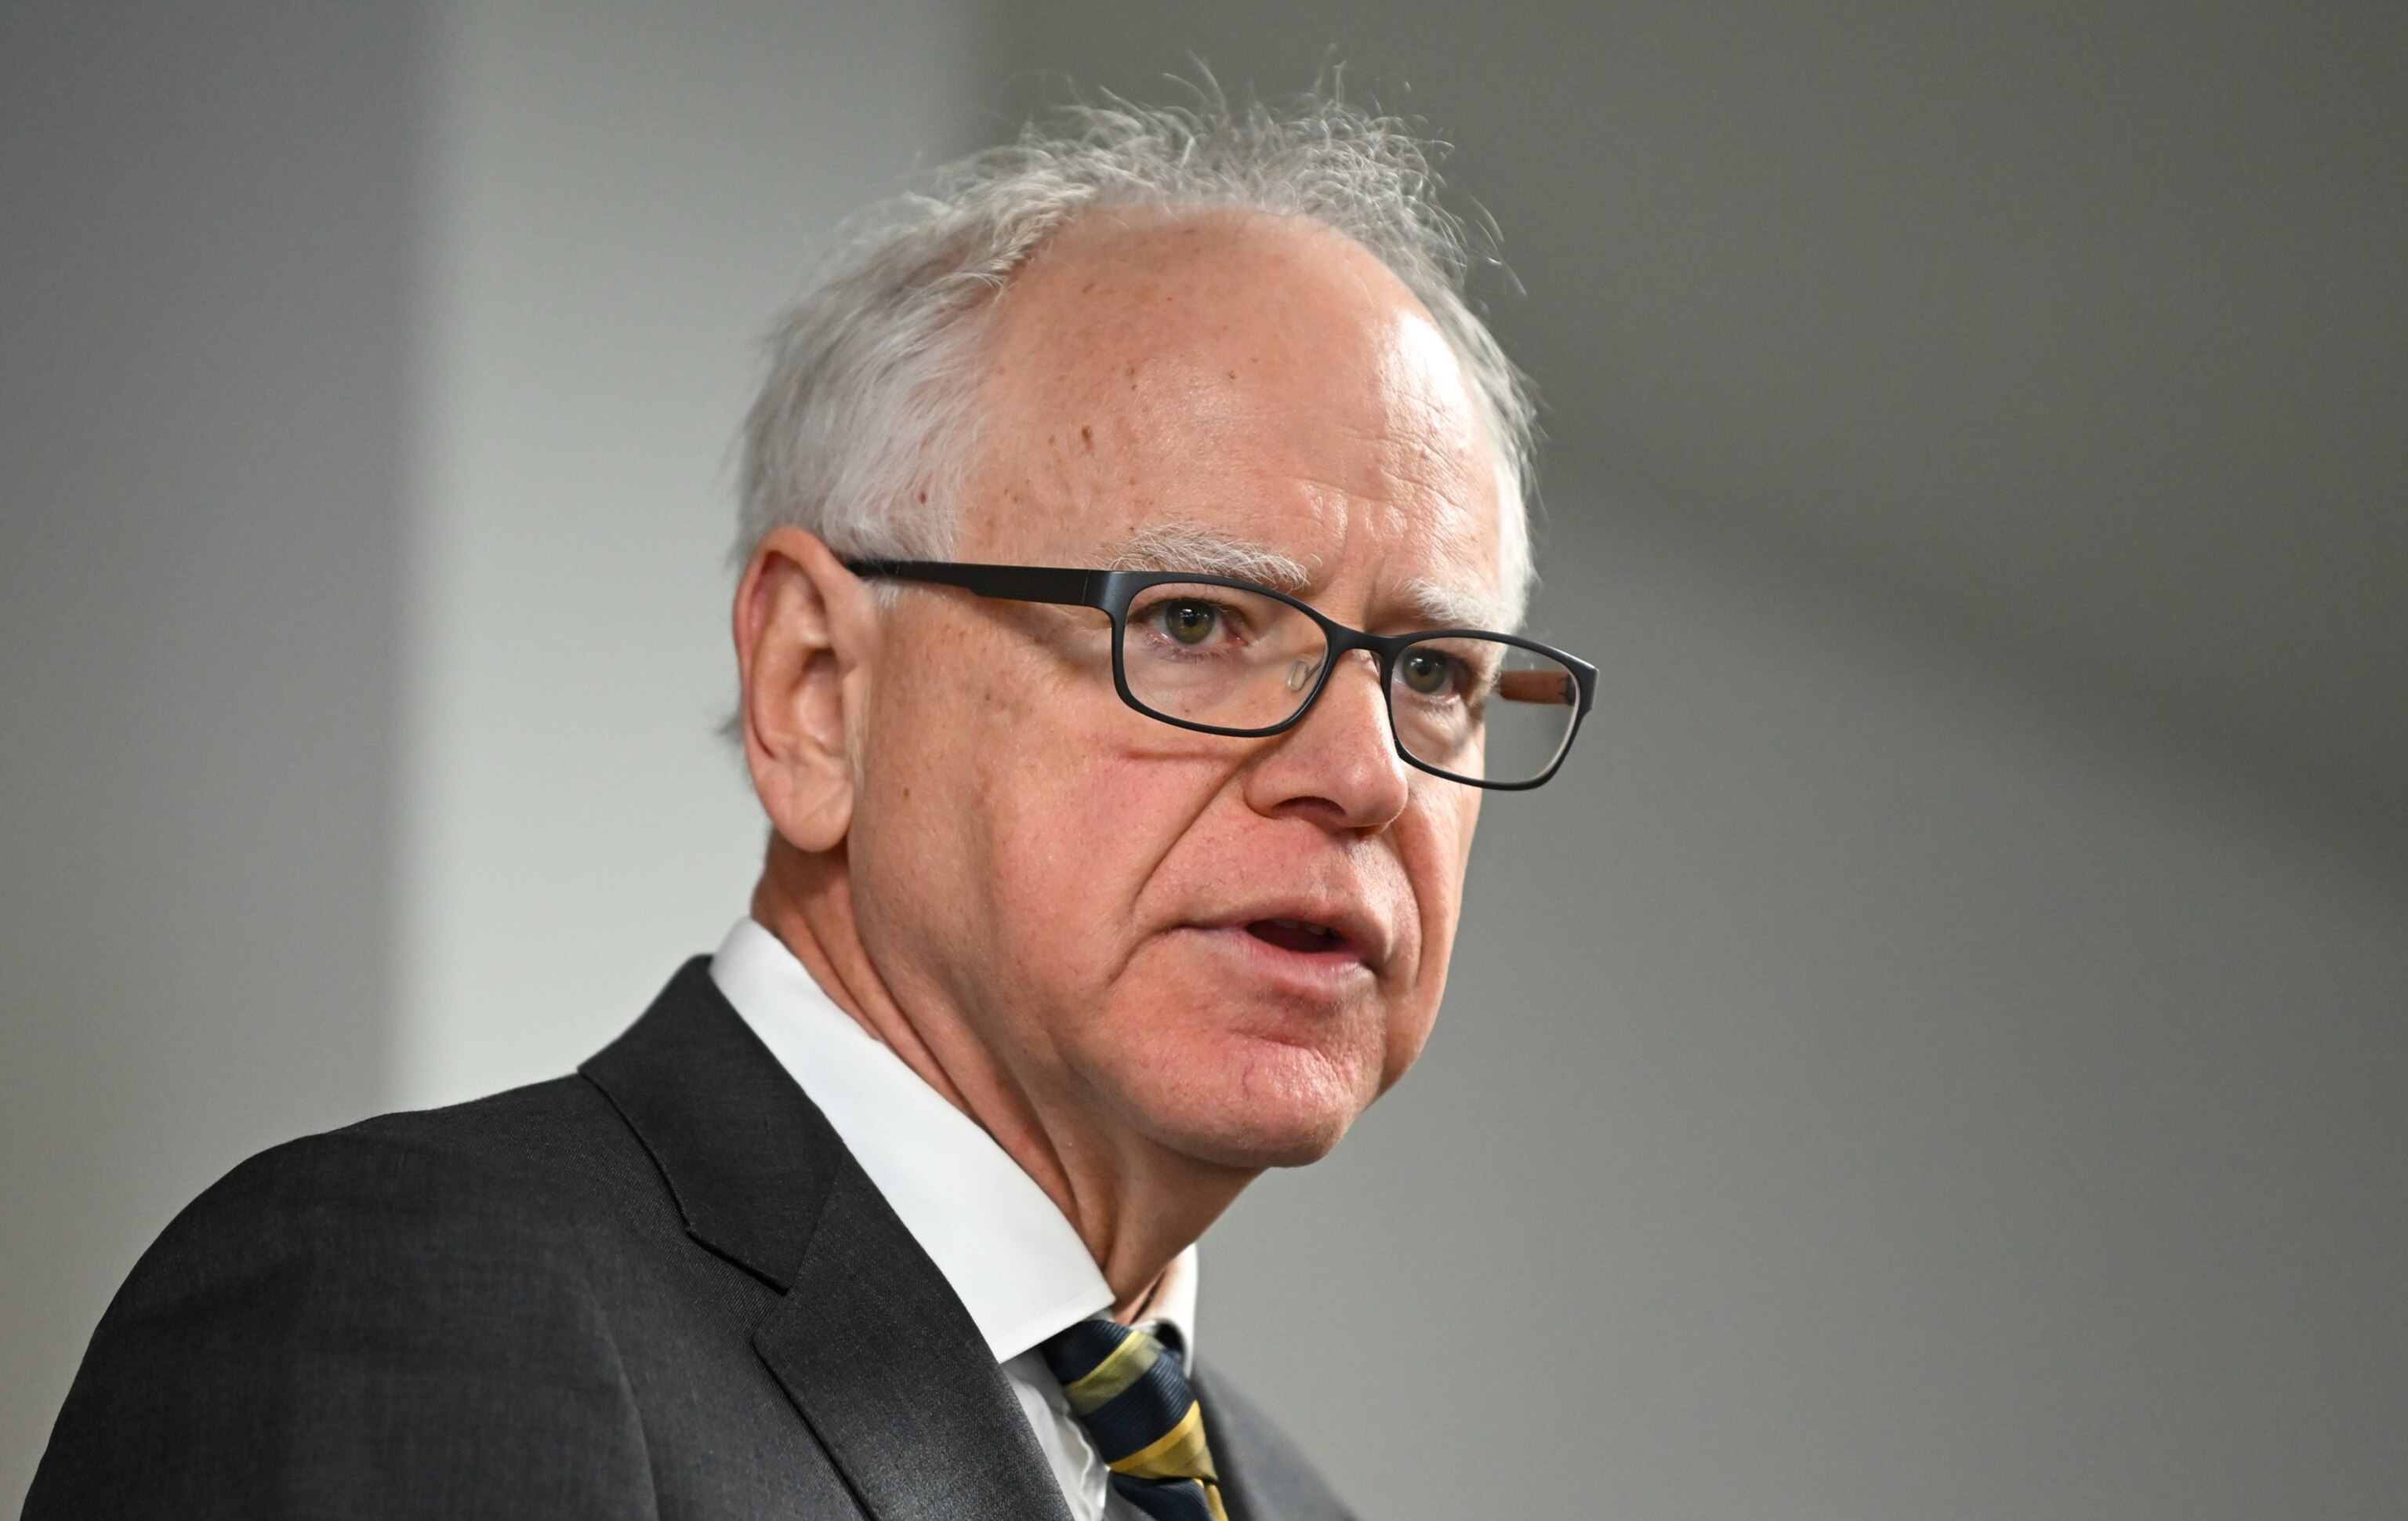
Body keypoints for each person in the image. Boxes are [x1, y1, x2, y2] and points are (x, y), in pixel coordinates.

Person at [28, 91, 1594, 1521]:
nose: (1368, 772)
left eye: (1437, 669)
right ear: (817, 690)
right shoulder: (406, 1302)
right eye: (1195, 621)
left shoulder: (1295, 1504)